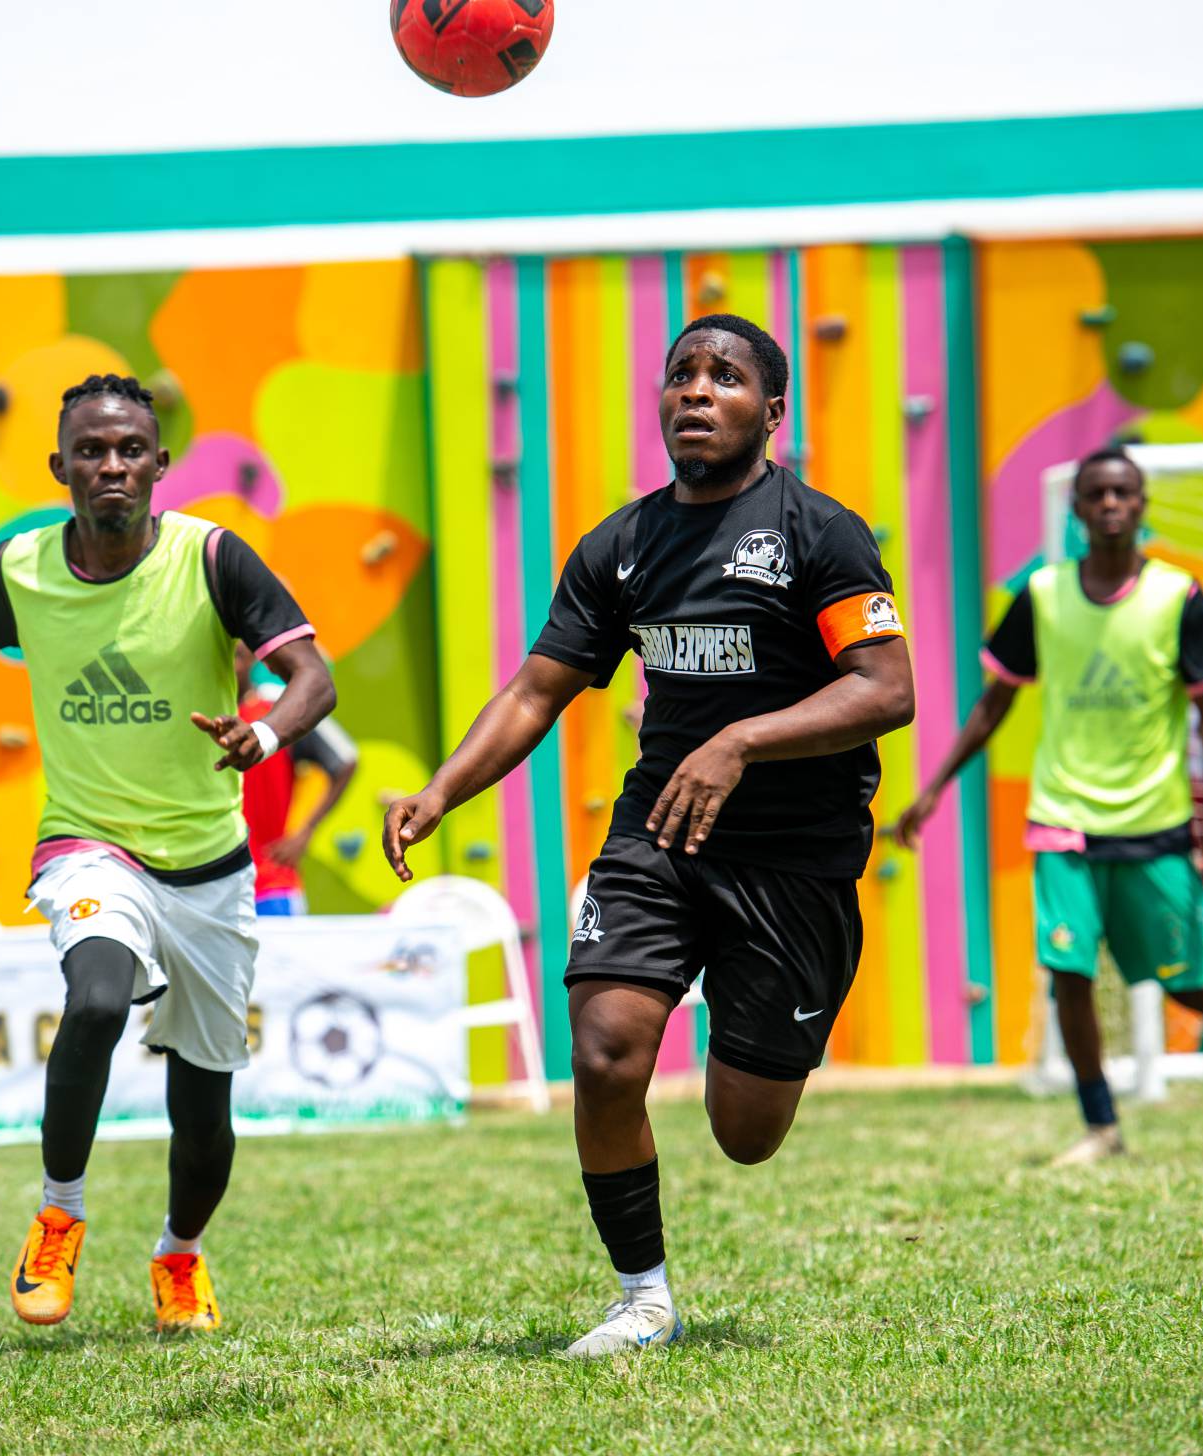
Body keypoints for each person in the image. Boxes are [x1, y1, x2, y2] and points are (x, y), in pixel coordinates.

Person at [381, 315, 914, 1356]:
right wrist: (443, 789)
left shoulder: (822, 534)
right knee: (606, 1053)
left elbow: (886, 691)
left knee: (745, 1133)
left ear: (772, 410)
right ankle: (644, 1300)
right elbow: (536, 690)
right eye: (681, 375)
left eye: (725, 376)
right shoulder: (620, 547)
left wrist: (742, 742)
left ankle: (753, 1031)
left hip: (795, 858)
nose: (696, 392)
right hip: (659, 835)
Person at [0, 374, 334, 1331]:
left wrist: (263, 734)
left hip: (210, 865)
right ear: (60, 468)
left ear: (161, 465)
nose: (112, 466)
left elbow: (313, 676)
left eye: (131, 449)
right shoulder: (21, 569)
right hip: (90, 845)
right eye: (91, 450)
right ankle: (59, 1214)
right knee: (94, 998)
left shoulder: (212, 558)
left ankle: (179, 1255)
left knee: (204, 1110)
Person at [895, 449, 1203, 1164]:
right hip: (1064, 818)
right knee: (1069, 972)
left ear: (1142, 504)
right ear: (1078, 508)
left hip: (1155, 824)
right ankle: (1101, 1126)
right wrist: (934, 787)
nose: (1111, 503)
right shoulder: (1043, 594)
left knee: (1185, 981)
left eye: (1123, 492)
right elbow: (995, 703)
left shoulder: (1179, 597)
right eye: (1097, 493)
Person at [235, 643, 359, 916]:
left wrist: (305, 832)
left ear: (254, 660)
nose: (231, 666)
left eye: (238, 656)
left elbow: (345, 760)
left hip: (270, 883)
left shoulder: (276, 712)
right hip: (210, 886)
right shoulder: (199, 715)